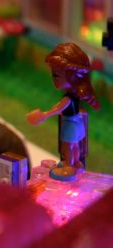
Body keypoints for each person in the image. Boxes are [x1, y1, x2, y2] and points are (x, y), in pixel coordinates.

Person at [26, 43, 101, 181]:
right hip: (78, 123)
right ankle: (76, 163)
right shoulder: (75, 94)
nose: (53, 79)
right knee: (75, 145)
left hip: (70, 125)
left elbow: (58, 108)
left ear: (71, 76)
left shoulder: (67, 98)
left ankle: (68, 166)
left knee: (67, 147)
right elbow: (66, 109)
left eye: (56, 75)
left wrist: (44, 115)